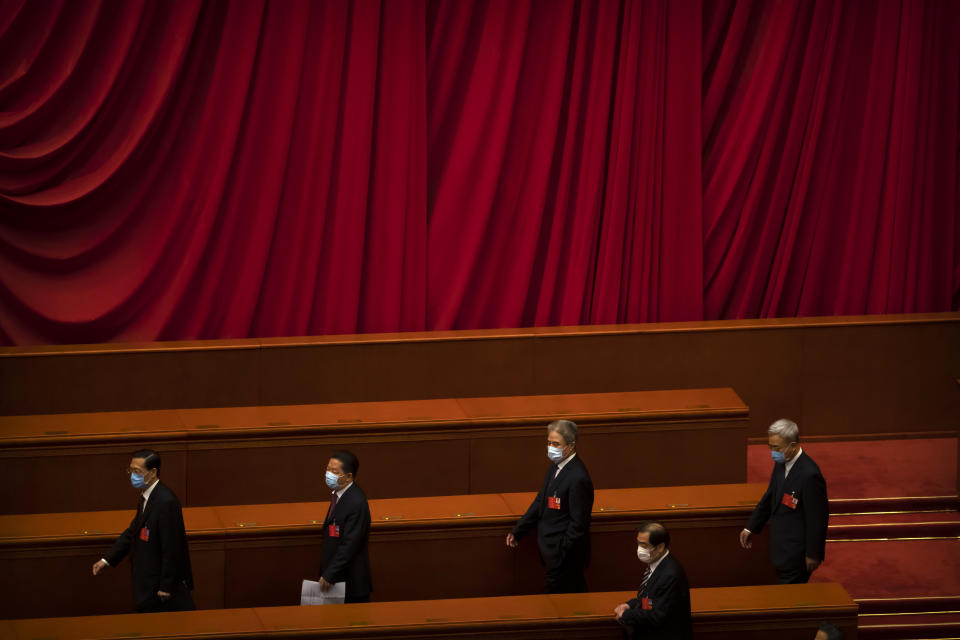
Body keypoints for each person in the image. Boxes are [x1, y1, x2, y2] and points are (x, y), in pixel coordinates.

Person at [92, 449, 194, 612]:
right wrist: (107, 560)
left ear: (152, 472)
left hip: (160, 589)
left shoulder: (166, 502)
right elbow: (133, 531)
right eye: (130, 470)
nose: (132, 476)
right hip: (148, 581)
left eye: (137, 471)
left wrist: (166, 586)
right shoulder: (147, 497)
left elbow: (172, 548)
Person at [506, 419, 594, 593]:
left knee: (556, 603)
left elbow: (579, 525)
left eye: (556, 444)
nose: (551, 448)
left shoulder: (578, 478)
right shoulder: (556, 466)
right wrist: (519, 530)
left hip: (565, 558)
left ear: (571, 446)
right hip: (553, 553)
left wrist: (561, 554)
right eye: (548, 443)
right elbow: (541, 500)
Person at [740, 419, 829, 583]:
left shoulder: (810, 475)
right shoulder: (781, 463)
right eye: (771, 447)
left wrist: (813, 554)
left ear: (793, 446)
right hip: (780, 549)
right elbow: (770, 496)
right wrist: (751, 527)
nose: (773, 452)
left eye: (777, 448)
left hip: (797, 555)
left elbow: (817, 519)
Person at [614, 522, 692, 639]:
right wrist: (629, 605)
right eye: (638, 544)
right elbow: (649, 601)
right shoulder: (657, 563)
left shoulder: (670, 575)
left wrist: (626, 615)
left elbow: (657, 615)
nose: (640, 549)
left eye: (644, 545)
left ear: (660, 547)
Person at [320, 449, 372, 603]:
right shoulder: (339, 494)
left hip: (350, 584)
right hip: (338, 580)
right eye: (328, 469)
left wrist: (330, 574)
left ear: (348, 476)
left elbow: (350, 544)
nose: (328, 474)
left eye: (334, 471)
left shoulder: (356, 502)